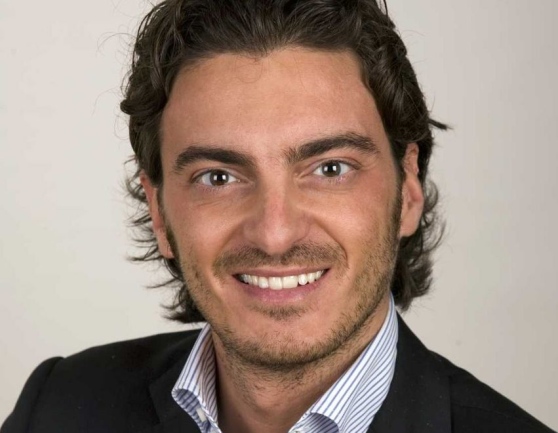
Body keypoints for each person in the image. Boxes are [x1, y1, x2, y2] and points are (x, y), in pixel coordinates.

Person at [1, 0, 555, 432]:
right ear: (160, 212)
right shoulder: (56, 408)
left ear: (409, 190)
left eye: (330, 168)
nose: (274, 233)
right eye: (218, 177)